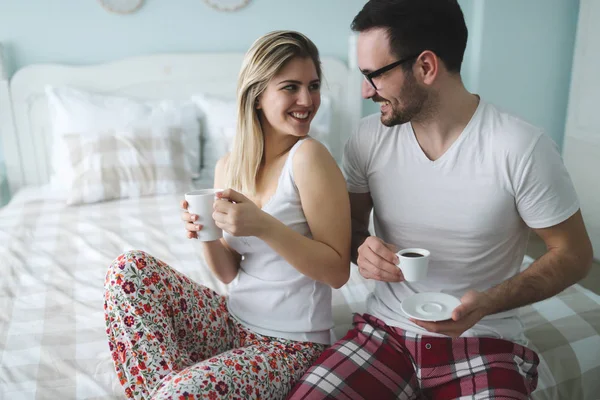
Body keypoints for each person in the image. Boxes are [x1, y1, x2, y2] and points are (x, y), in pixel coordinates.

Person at [288, 1, 594, 399]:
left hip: (485, 342)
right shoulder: (366, 139)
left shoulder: (521, 148)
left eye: (373, 76)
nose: (365, 91)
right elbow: (352, 230)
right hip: (384, 335)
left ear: (426, 67)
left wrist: (489, 302)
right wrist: (361, 249)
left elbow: (573, 254)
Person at [103, 30, 351, 400]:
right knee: (129, 270)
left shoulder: (310, 157)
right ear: (257, 96)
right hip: (231, 320)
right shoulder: (228, 168)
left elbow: (337, 271)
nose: (307, 100)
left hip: (291, 345)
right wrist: (206, 234)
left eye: (313, 85)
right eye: (290, 87)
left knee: (182, 393)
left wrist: (264, 225)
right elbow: (228, 271)